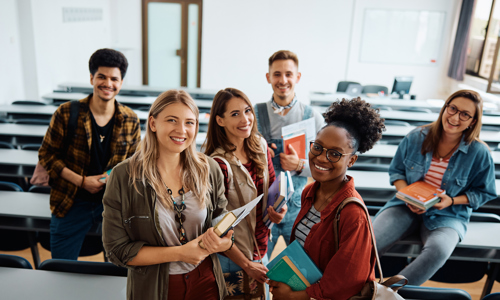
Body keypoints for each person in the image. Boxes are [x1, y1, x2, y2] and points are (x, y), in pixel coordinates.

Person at [102, 89, 233, 300]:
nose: (181, 130)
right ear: (153, 123)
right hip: (155, 288)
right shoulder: (124, 175)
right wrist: (180, 253)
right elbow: (117, 250)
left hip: (206, 282)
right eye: (172, 120)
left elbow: (223, 222)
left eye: (190, 122)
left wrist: (224, 242)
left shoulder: (209, 168)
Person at [372, 90, 497, 286]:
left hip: (450, 213)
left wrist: (452, 200)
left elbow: (485, 192)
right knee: (370, 242)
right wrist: (408, 196)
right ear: (445, 107)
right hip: (405, 206)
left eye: (465, 114)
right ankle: (350, 288)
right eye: (453, 108)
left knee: (439, 250)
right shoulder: (416, 137)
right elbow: (397, 172)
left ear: (472, 121)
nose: (455, 117)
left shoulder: (479, 152)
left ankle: (391, 293)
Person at [268, 98, 385, 300]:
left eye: (335, 154)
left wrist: (294, 296)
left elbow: (347, 283)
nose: (322, 158)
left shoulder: (353, 214)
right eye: (318, 148)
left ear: (352, 160)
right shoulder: (309, 192)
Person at [38, 48, 141, 259]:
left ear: (121, 82)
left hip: (114, 203)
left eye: (114, 78)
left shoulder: (130, 119)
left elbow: (133, 162)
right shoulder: (66, 112)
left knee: (122, 267)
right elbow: (47, 155)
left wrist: (107, 178)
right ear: (92, 78)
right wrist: (82, 181)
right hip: (71, 200)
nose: (108, 84)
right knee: (61, 266)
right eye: (101, 77)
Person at [204, 88, 286, 299]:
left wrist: (279, 211)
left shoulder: (261, 146)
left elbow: (272, 190)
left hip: (260, 250)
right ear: (220, 121)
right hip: (233, 257)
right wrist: (247, 264)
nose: (245, 119)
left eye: (247, 111)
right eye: (235, 114)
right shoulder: (217, 164)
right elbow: (217, 228)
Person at [255, 50, 324, 256]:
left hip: (298, 208)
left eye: (288, 74)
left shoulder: (313, 118)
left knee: (301, 262)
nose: (282, 80)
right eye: (277, 74)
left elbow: (324, 167)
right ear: (268, 77)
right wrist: (260, 155)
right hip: (262, 206)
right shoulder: (254, 114)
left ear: (297, 77)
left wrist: (299, 165)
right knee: (259, 262)